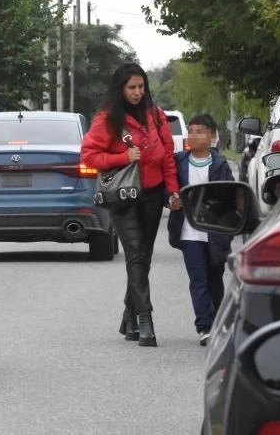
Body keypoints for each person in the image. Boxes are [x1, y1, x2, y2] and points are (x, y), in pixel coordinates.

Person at [81, 62, 179, 347]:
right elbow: (89, 155)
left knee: (142, 257)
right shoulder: (108, 119)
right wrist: (122, 157)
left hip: (152, 195)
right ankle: (145, 321)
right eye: (131, 88)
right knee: (136, 254)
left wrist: (173, 191)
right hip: (123, 197)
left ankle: (128, 317)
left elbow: (168, 157)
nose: (137, 92)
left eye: (141, 87)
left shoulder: (156, 116)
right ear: (120, 89)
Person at [166, 114, 234, 346]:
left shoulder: (220, 165)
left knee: (215, 277)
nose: (194, 135)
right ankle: (204, 326)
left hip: (214, 232)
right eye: (191, 131)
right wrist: (170, 200)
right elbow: (168, 188)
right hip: (188, 232)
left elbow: (230, 198)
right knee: (198, 279)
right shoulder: (178, 162)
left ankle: (218, 322)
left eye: (200, 131)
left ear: (212, 136)